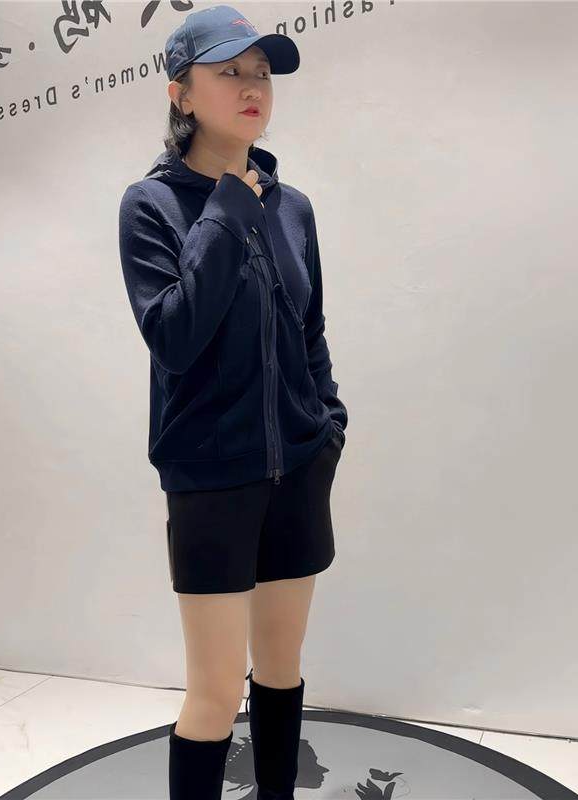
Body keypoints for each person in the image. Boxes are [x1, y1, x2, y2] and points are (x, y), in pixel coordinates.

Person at [117, 6, 348, 798]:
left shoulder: (295, 208)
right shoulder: (151, 207)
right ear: (181, 94)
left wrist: (326, 426)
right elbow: (174, 339)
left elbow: (309, 331)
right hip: (211, 478)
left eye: (261, 73)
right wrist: (225, 210)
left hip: (298, 469)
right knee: (215, 693)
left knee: (281, 670)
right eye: (229, 73)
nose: (253, 87)